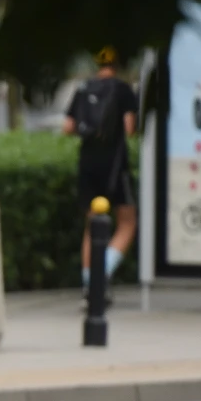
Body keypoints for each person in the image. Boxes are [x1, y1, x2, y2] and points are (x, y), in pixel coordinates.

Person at [63, 47, 139, 304]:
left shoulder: (83, 88)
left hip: (88, 161)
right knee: (127, 222)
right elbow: (129, 129)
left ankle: (89, 284)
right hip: (115, 162)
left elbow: (68, 127)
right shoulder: (122, 89)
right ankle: (101, 273)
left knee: (92, 225)